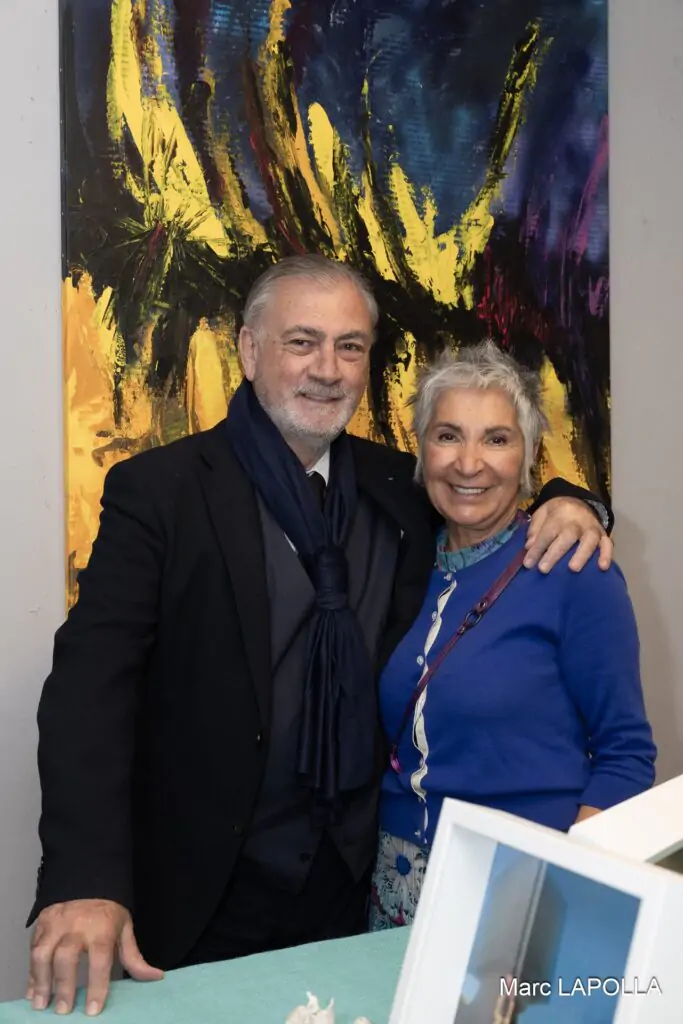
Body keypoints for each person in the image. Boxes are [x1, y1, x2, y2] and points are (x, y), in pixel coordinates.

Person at [27, 256, 611, 1017]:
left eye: (349, 347)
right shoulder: (160, 491)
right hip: (199, 890)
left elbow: (487, 491)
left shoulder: (400, 487)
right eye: (302, 342)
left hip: (355, 889)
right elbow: (88, 691)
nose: (327, 369)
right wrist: (83, 878)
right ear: (249, 350)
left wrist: (576, 501)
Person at [369, 340, 656, 932]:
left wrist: (566, 887)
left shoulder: (574, 570)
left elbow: (626, 755)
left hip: (522, 883)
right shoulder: (398, 563)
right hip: (394, 882)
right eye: (448, 435)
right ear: (422, 449)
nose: (469, 462)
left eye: (496, 439)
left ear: (527, 455)